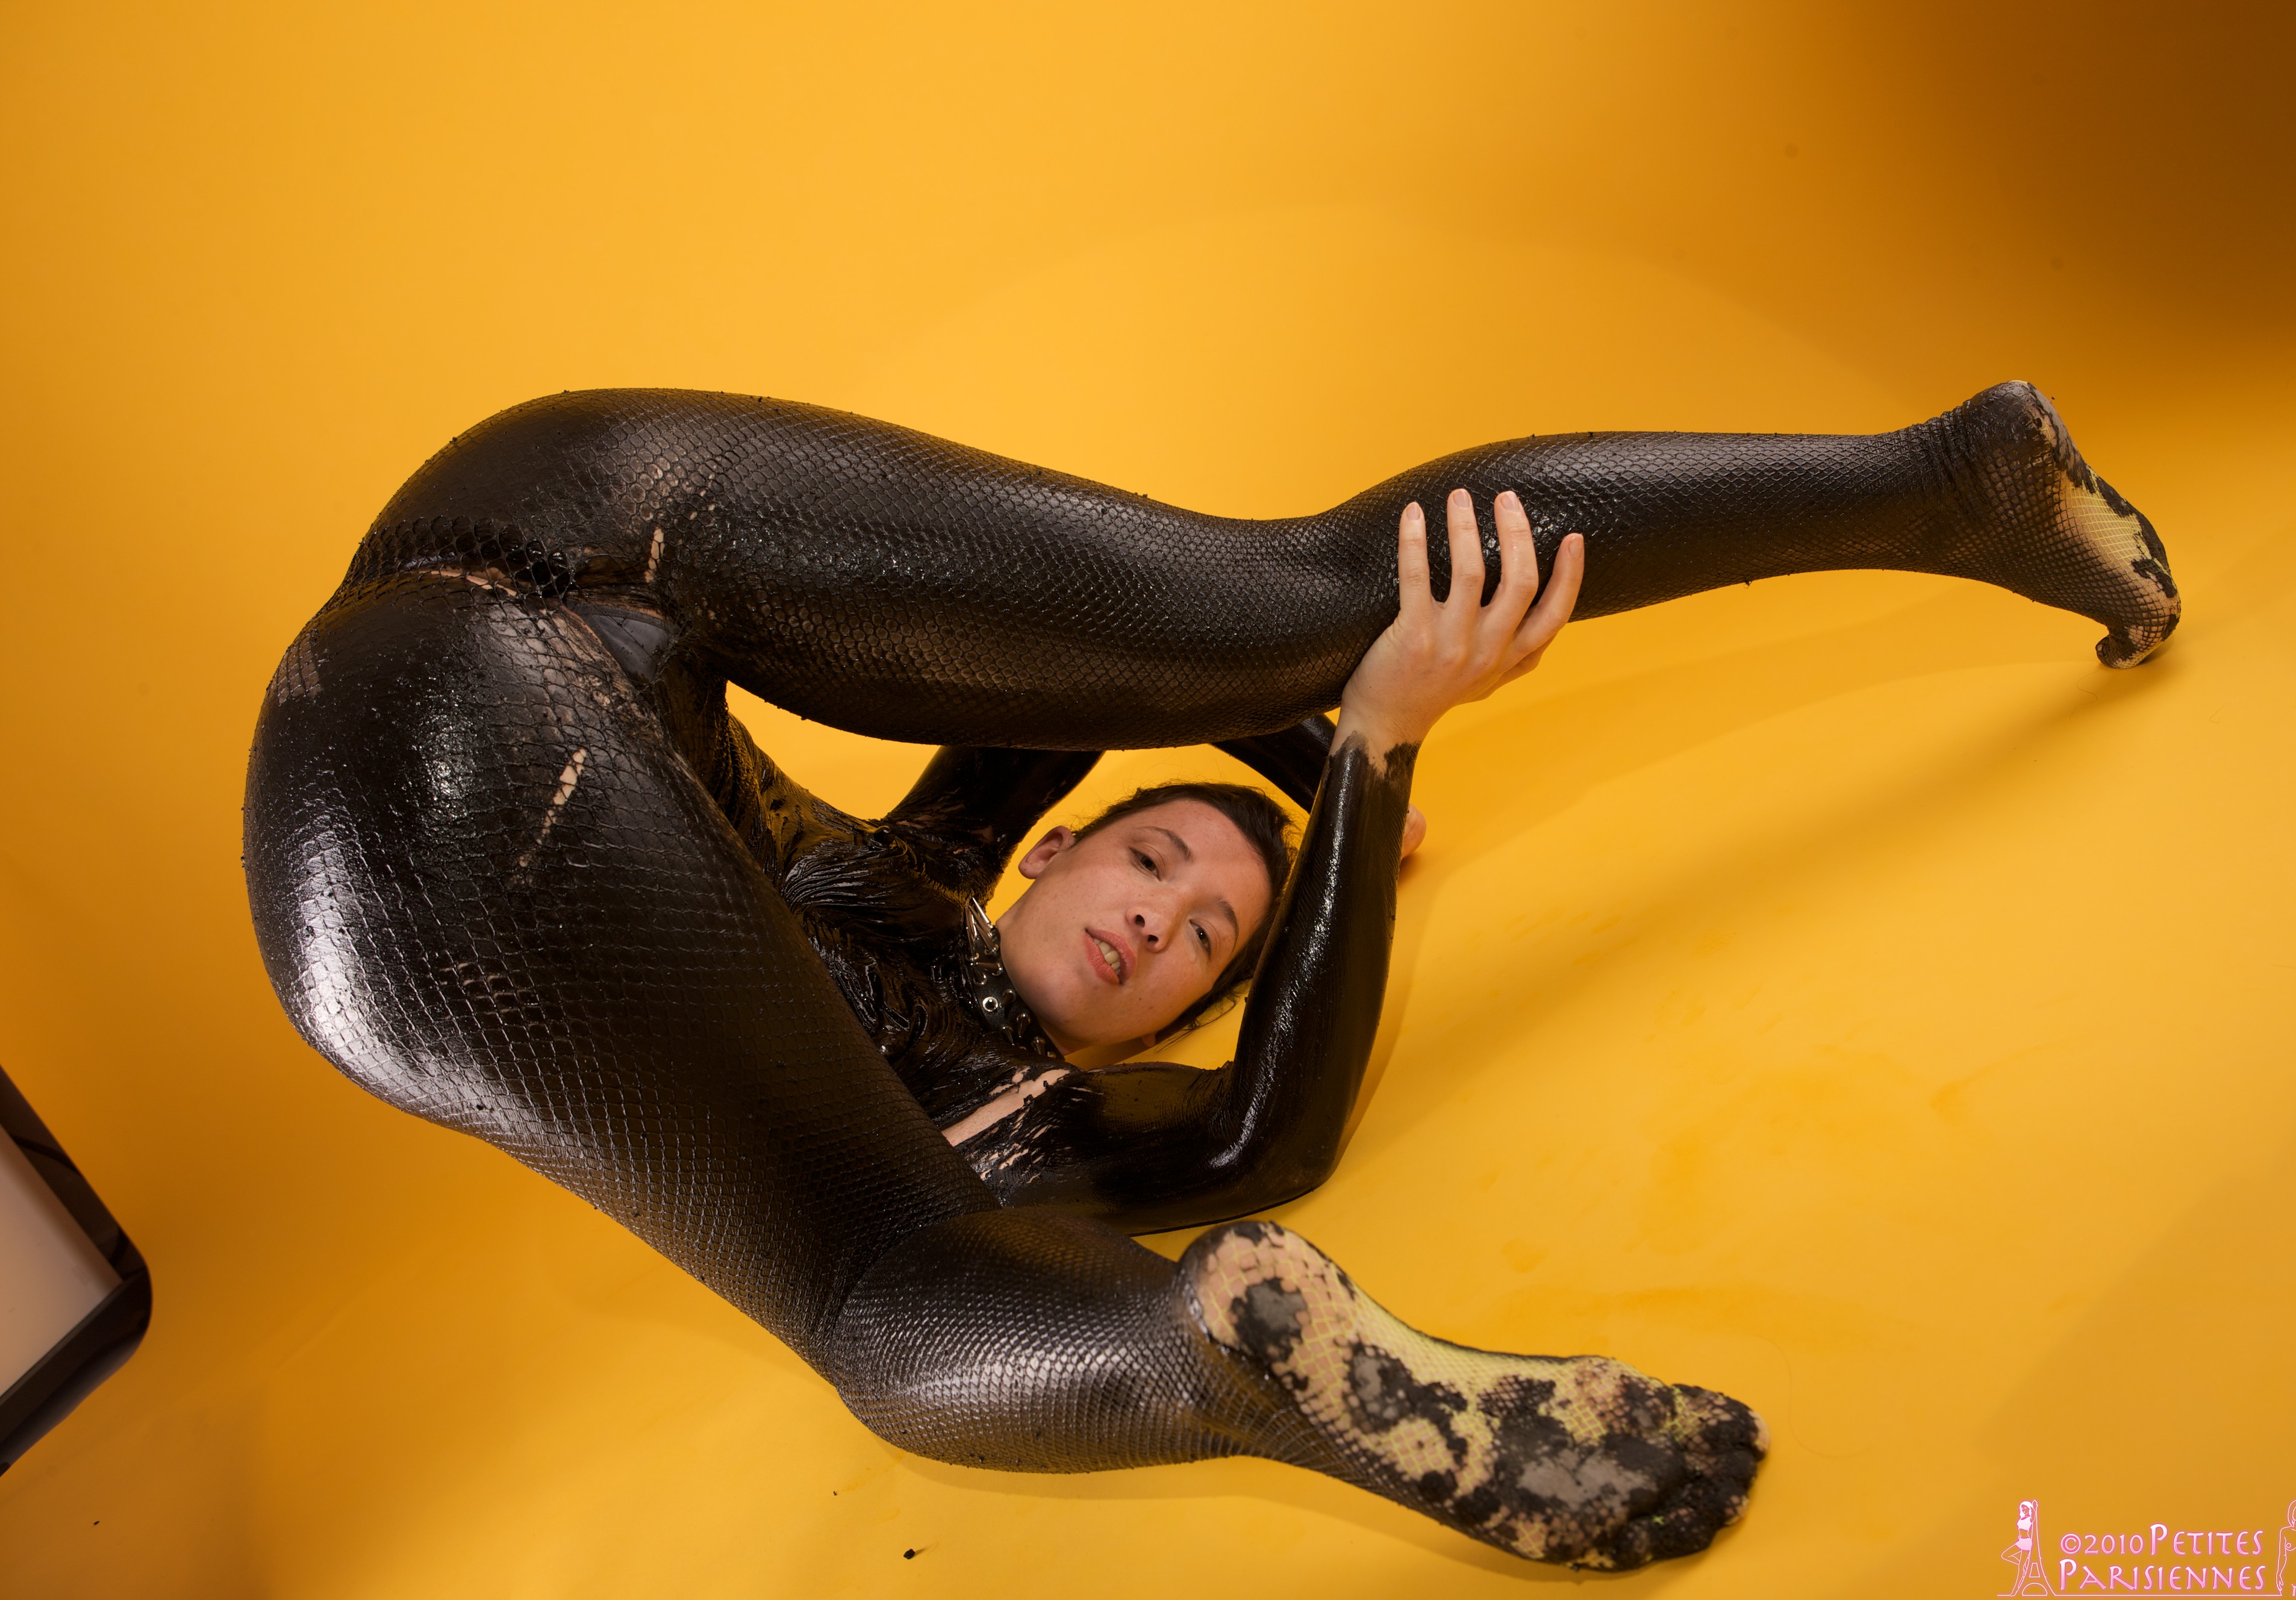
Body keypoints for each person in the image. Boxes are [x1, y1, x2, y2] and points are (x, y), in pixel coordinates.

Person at [243, 379, 2176, 1572]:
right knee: (1292, 598)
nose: (1158, 922)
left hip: (428, 863)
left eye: (1202, 948)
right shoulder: (929, 853)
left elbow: (1273, 1132)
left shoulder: (1051, 1127)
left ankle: (1943, 486)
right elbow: (1078, 683)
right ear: (1051, 843)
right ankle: (1186, 1361)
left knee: (890, 1268)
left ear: (1167, 1025)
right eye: (1151, 864)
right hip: (552, 509)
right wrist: (1328, 741)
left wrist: (1378, 742)